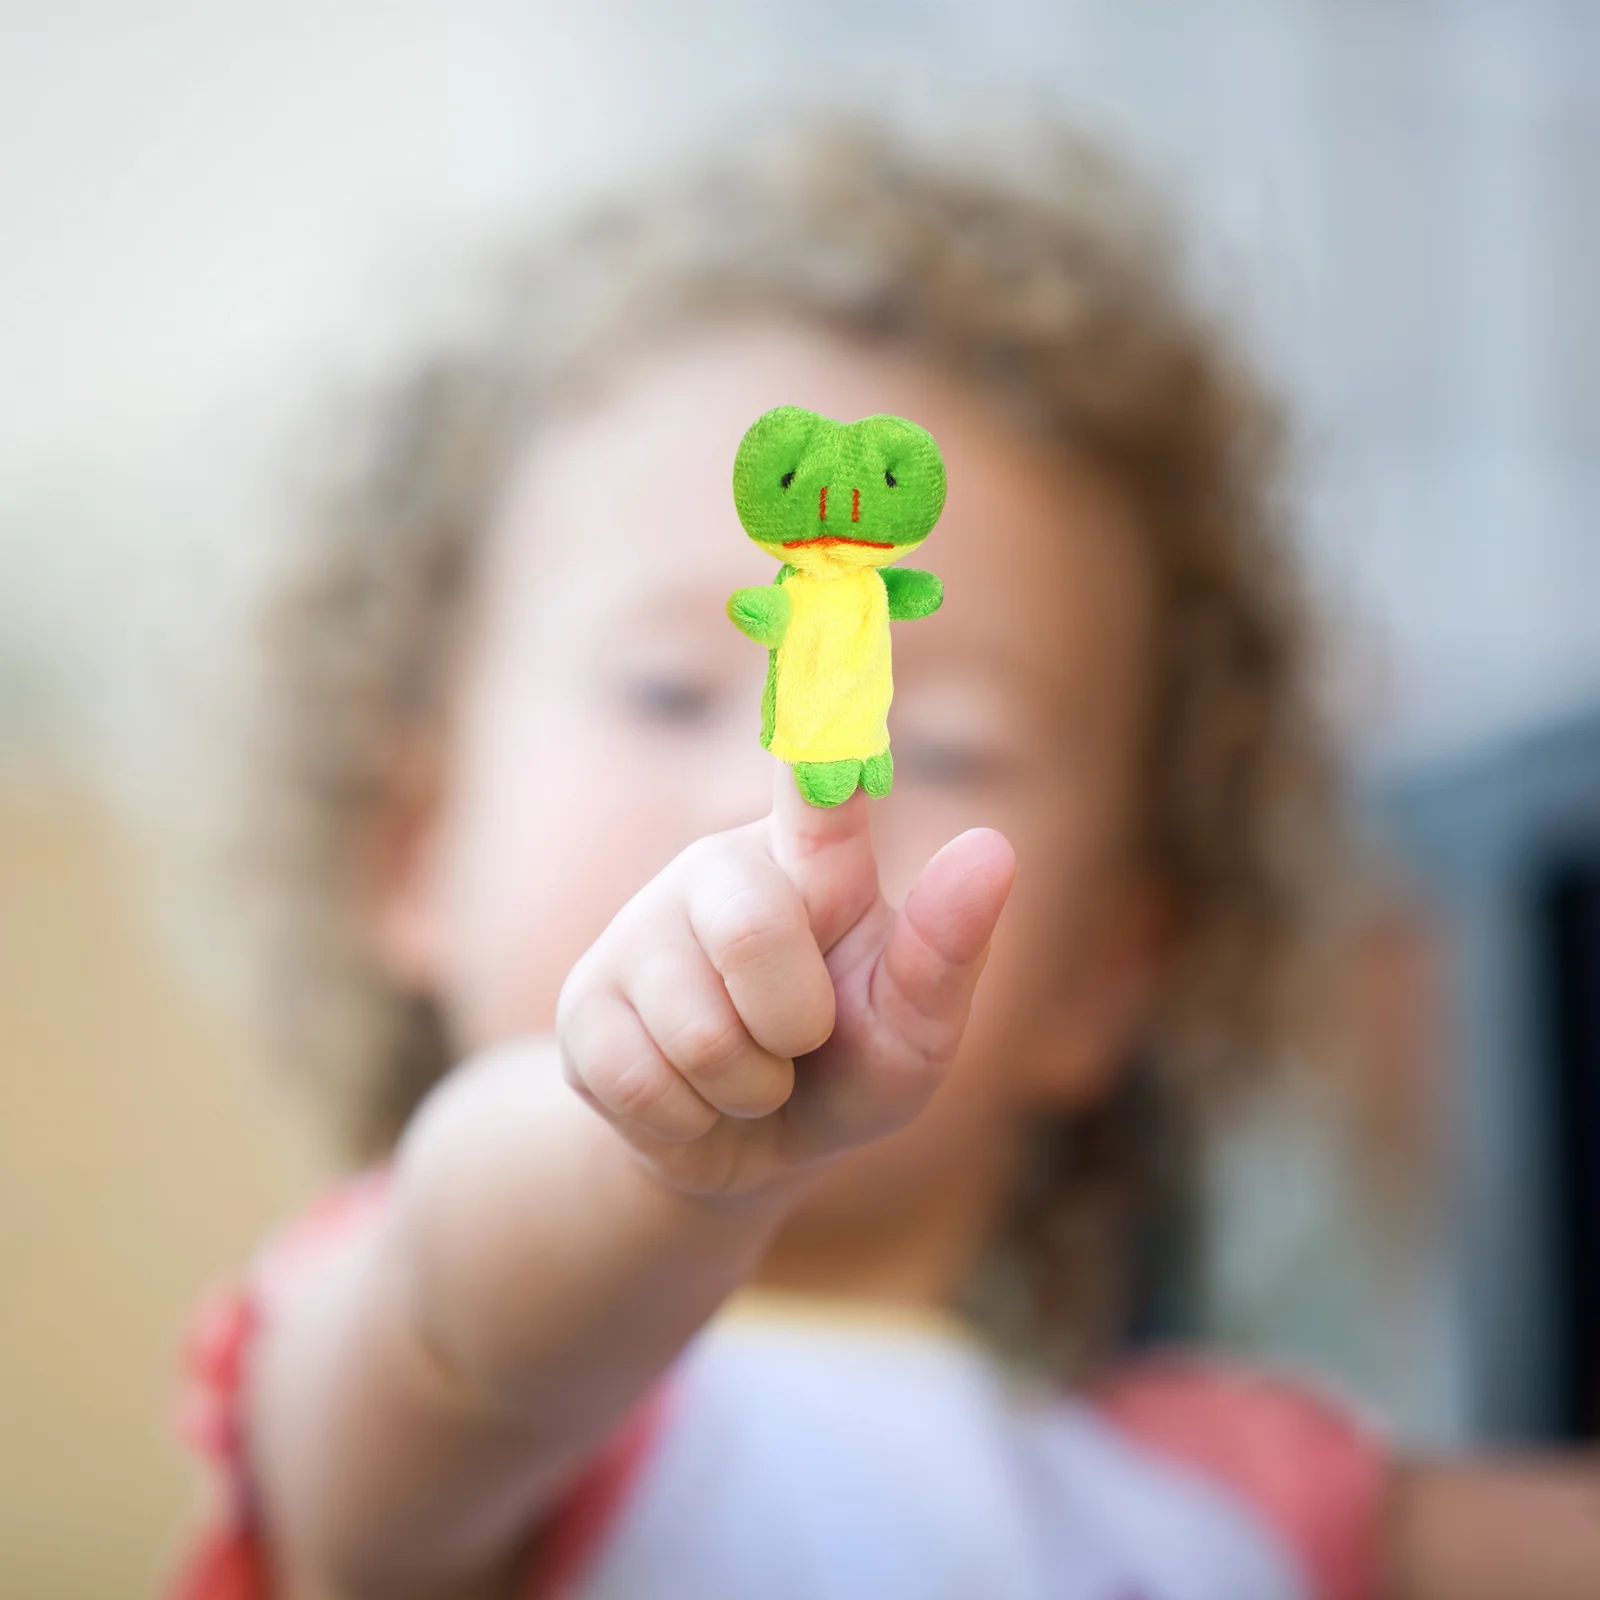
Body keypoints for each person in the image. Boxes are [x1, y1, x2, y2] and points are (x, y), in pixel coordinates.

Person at [172, 117, 1599, 1599]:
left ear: (1108, 977)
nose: (777, 785)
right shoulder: (420, 1379)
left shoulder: (1230, 1502)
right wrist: (651, 1159)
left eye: (953, 747)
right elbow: (459, 1305)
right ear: (415, 850)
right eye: (668, 691)